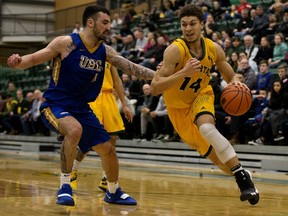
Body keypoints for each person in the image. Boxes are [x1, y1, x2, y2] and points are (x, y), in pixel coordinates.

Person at [7, 5, 155, 207]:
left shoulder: (105, 51)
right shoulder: (67, 43)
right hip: (55, 104)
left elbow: (132, 67)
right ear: (90, 22)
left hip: (82, 108)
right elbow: (33, 58)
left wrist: (161, 76)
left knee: (108, 149)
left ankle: (113, 191)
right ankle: (65, 187)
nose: (109, 27)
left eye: (110, 23)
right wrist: (18, 61)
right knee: (74, 130)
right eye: (105, 22)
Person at [150, 4, 259, 205]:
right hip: (178, 110)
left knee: (207, 127)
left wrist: (236, 82)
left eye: (192, 24)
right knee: (222, 164)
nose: (188, 29)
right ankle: (244, 174)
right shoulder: (174, 50)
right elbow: (155, 87)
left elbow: (231, 75)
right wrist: (183, 72)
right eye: (183, 25)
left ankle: (243, 180)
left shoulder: (213, 48)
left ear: (202, 24)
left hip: (201, 96)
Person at [69, 62, 134, 192]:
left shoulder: (108, 56)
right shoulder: (84, 55)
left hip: (109, 98)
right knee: (89, 141)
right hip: (92, 99)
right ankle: (73, 169)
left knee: (112, 139)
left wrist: (124, 103)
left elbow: (117, 81)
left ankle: (106, 178)